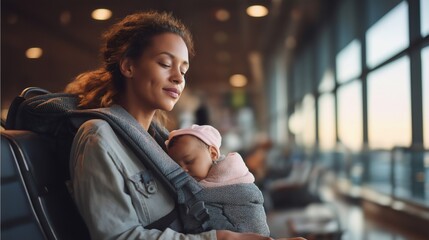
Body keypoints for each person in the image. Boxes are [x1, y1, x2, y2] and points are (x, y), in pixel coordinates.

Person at [66, 10, 304, 240]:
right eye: (165, 63)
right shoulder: (98, 137)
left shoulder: (161, 142)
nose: (179, 78)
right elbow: (117, 235)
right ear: (128, 66)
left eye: (183, 69)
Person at [165, 124, 255, 188]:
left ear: (213, 154)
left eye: (189, 161)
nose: (183, 170)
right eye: (177, 167)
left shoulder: (235, 177)